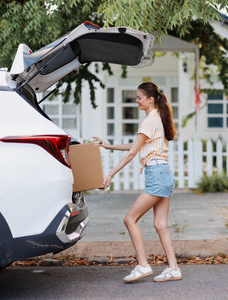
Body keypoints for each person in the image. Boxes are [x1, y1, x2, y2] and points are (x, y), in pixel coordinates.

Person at [93, 82, 181, 283]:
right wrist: (107, 145)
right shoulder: (157, 118)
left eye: (139, 97)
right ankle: (174, 268)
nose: (136, 100)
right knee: (160, 225)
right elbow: (135, 146)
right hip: (164, 172)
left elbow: (133, 152)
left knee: (130, 219)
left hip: (157, 174)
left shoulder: (149, 121)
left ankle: (143, 265)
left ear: (150, 99)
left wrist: (111, 174)